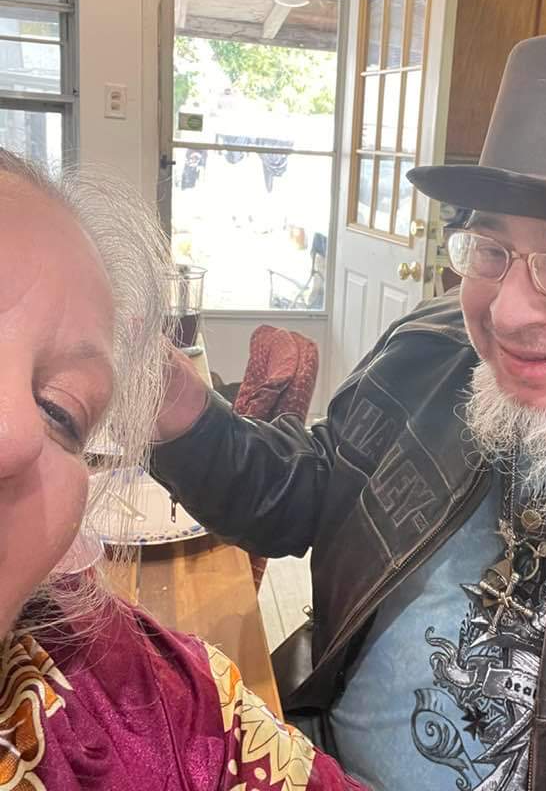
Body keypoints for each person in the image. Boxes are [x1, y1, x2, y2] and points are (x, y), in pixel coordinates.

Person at [150, 34, 546, 791]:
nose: (507, 313)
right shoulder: (432, 349)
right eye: (489, 248)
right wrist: (176, 405)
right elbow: (309, 495)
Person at [0, 147, 366, 791]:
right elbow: (313, 490)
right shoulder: (418, 351)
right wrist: (199, 424)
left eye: (60, 410)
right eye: (490, 247)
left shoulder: (167, 711)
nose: (12, 434)